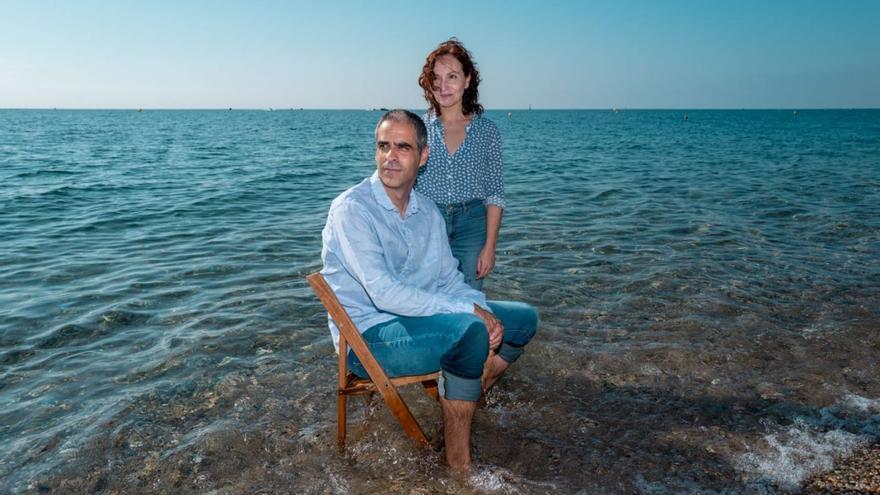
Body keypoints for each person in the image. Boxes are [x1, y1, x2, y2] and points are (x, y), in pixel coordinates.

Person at [320, 110, 538, 472]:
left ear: (423, 157)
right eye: (383, 146)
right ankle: (459, 467)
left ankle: (466, 393)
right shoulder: (353, 210)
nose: (390, 156)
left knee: (523, 320)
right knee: (468, 331)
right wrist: (470, 315)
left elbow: (449, 280)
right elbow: (385, 295)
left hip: (420, 323)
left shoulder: (428, 213)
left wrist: (485, 313)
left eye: (403, 147)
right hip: (369, 338)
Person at [415, 38, 504, 291]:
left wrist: (490, 247)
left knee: (470, 298)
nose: (443, 86)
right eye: (436, 78)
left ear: (467, 80)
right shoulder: (417, 129)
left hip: (472, 224)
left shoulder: (487, 131)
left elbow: (495, 193)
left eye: (452, 77)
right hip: (428, 222)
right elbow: (401, 187)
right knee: (428, 297)